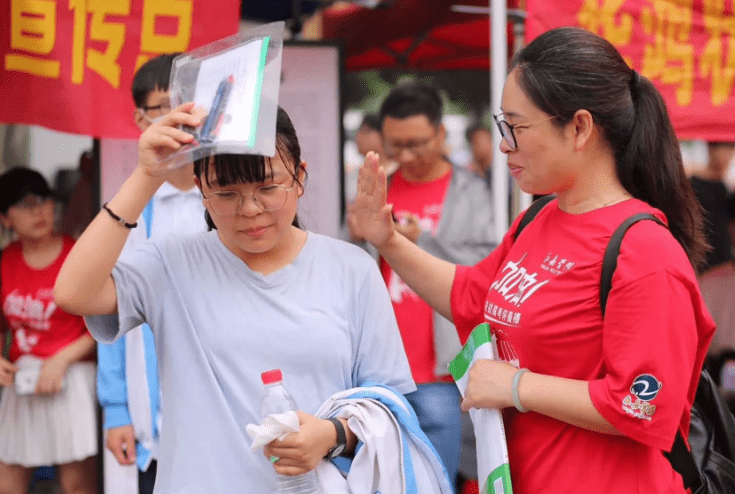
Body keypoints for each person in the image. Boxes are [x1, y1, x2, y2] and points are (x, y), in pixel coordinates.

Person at [353, 27, 715, 494]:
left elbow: (643, 404)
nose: (503, 144)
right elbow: (470, 296)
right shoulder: (539, 217)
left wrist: (517, 387)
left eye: (516, 127)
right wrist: (389, 242)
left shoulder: (644, 251)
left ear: (580, 127)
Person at [53, 105, 416, 492]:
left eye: (268, 188)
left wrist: (333, 434)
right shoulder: (169, 264)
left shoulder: (351, 269)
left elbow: (389, 406)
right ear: (201, 189)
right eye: (227, 193)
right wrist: (146, 176)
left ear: (300, 176)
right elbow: (73, 292)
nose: (250, 210)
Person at [357, 82, 497, 486]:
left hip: (440, 369)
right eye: (394, 144)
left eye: (416, 143)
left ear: (441, 133)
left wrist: (422, 242)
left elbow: (488, 265)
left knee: (437, 479)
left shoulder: (473, 191)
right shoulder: (378, 186)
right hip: (381, 367)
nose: (405, 155)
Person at [95, 53, 208, 494]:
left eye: (189, 103)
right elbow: (107, 310)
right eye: (166, 107)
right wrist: (117, 408)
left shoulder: (231, 198)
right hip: (154, 418)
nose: (182, 117)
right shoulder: (128, 212)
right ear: (142, 118)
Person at [0, 167, 97, 494]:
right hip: (22, 385)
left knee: (76, 485)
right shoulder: (4, 263)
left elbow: (104, 326)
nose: (38, 210)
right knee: (8, 483)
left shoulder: (78, 255)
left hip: (73, 380)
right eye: (25, 204)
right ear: (5, 218)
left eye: (43, 200)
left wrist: (62, 359)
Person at [690, 141, 735, 272]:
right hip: (702, 262)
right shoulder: (693, 186)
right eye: (725, 149)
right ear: (711, 148)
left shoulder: (726, 187)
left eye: (732, 150)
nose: (728, 156)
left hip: (725, 262)